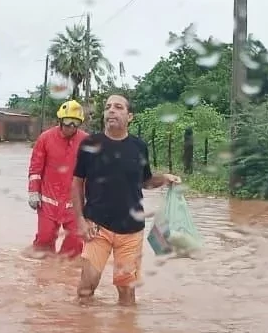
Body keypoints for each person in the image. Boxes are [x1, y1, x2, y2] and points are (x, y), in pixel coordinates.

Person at [72, 94, 179, 306]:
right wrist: (81, 220)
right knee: (86, 289)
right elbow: (76, 183)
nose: (111, 110)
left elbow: (145, 181)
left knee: (127, 293)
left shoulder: (139, 147)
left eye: (118, 107)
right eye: (108, 107)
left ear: (129, 116)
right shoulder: (90, 144)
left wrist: (164, 179)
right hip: (97, 226)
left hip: (131, 230)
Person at [27, 99, 87, 258]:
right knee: (44, 243)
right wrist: (33, 192)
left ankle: (65, 279)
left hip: (75, 204)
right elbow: (35, 168)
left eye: (76, 123)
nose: (71, 127)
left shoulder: (86, 141)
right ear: (60, 121)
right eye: (68, 122)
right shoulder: (45, 138)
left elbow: (93, 173)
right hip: (48, 201)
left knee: (74, 246)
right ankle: (42, 278)